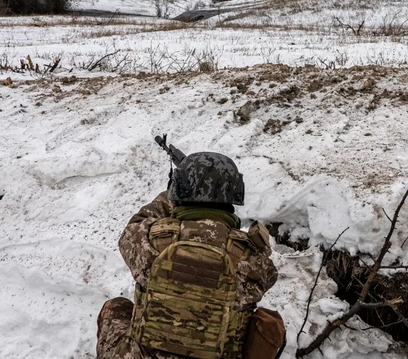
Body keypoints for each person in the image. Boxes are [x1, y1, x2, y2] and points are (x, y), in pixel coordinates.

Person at [97, 151, 286, 359]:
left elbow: (133, 228)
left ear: (179, 190)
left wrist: (169, 196)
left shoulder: (151, 240)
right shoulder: (253, 257)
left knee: (116, 307)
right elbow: (269, 276)